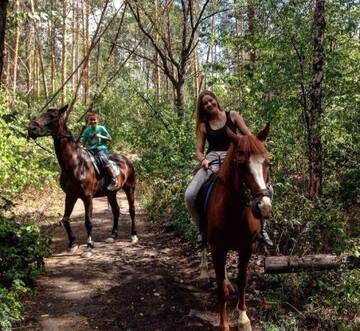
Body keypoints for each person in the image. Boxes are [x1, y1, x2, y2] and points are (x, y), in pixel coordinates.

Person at [184, 90, 273, 246]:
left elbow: (248, 137)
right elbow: (198, 150)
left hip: (235, 159)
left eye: (210, 100)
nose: (209, 104)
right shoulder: (203, 126)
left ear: (216, 100)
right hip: (212, 162)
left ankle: (263, 229)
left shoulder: (233, 116)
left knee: (267, 190)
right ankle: (202, 231)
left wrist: (255, 149)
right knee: (190, 195)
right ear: (202, 107)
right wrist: (203, 160)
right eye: (205, 103)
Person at [80, 112, 117, 191]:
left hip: (100, 148)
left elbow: (110, 139)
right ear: (88, 121)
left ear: (97, 120)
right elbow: (83, 142)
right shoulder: (87, 130)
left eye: (94, 120)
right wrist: (81, 146)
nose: (93, 121)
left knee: (102, 159)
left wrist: (101, 136)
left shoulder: (101, 128)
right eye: (91, 120)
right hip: (89, 149)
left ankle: (113, 179)